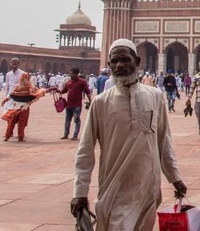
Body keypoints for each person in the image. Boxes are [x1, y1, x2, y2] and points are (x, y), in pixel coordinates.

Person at [71, 38, 186, 231]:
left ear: (138, 61)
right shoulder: (101, 103)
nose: (119, 65)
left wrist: (174, 177)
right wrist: (80, 192)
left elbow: (163, 141)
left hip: (147, 186)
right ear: (109, 65)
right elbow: (85, 152)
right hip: (115, 187)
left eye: (125, 59)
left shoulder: (155, 97)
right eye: (114, 61)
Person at [1, 72, 47, 141]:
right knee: (21, 123)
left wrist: (5, 100)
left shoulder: (17, 86)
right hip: (24, 107)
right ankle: (20, 137)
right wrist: (45, 90)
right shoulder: (29, 86)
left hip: (14, 107)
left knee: (11, 122)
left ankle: (7, 136)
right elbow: (37, 93)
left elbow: (11, 95)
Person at [59, 68, 91, 140]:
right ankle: (66, 134)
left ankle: (75, 135)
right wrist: (57, 91)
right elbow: (64, 91)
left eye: (72, 74)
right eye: (70, 73)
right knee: (67, 120)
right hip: (69, 104)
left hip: (77, 105)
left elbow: (87, 92)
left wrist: (90, 101)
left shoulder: (82, 82)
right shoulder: (68, 82)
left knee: (76, 120)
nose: (70, 75)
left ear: (76, 74)